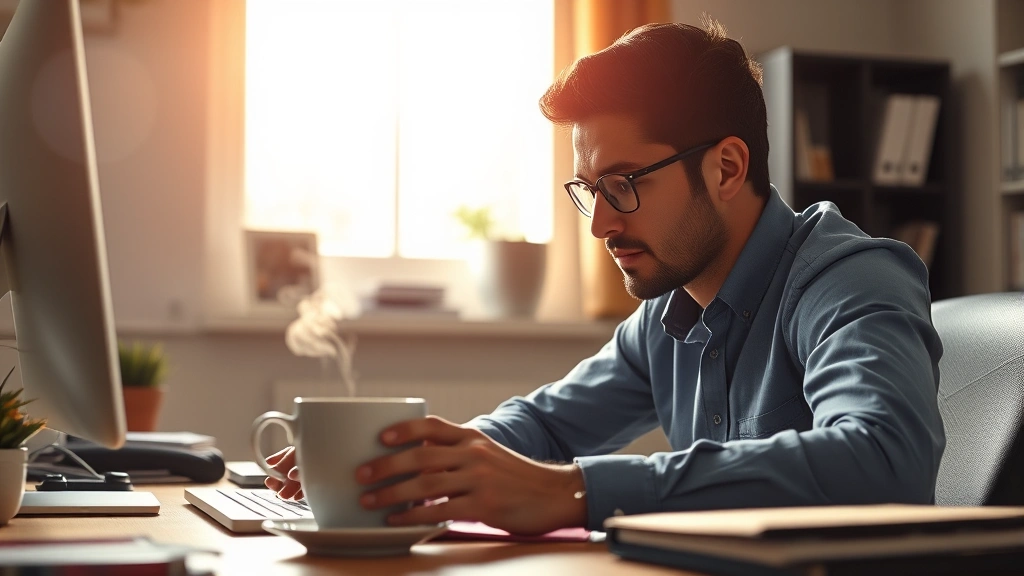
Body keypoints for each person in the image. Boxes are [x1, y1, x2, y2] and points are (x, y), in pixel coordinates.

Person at [265, 18, 945, 535]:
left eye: (623, 184)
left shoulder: (849, 279)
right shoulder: (670, 313)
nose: (601, 226)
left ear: (728, 168)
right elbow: (548, 426)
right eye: (590, 189)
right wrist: (416, 466)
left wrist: (573, 492)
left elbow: (886, 458)